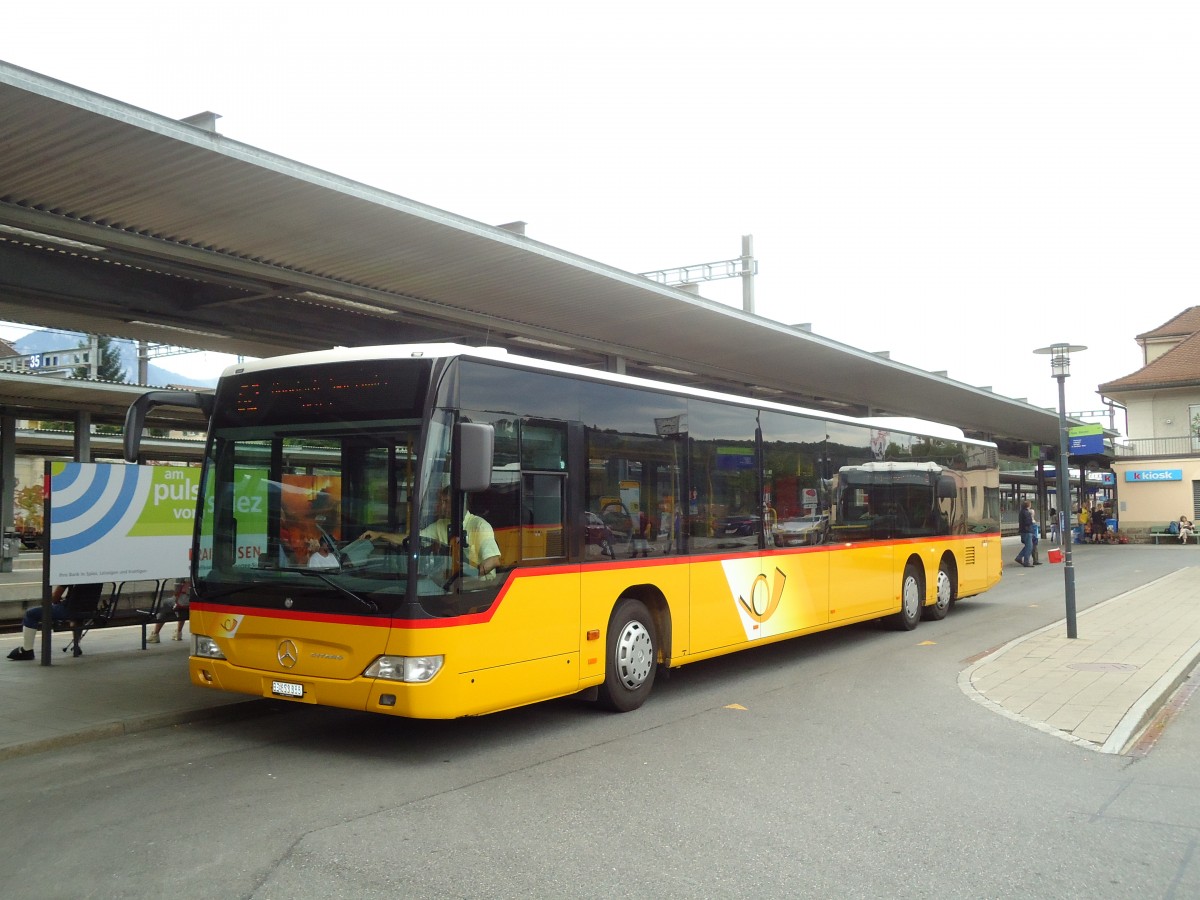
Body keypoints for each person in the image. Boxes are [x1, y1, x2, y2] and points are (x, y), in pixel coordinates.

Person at [7, 582, 105, 660]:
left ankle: (27, 650)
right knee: (77, 615)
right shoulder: (95, 575)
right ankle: (76, 644)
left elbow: (55, 597)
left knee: (31, 614)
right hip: (89, 611)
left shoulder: (70, 574)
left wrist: (56, 602)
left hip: (69, 610)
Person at [420, 487, 501, 577]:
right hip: (451, 582)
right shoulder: (440, 525)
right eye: (441, 502)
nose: (442, 506)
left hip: (479, 584)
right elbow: (417, 538)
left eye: (446, 502)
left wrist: (471, 574)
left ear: (458, 503)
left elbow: (493, 561)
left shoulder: (480, 526)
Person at [148, 578, 190, 643]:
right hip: (193, 604)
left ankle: (155, 634)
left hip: (184, 602)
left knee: (165, 603)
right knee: (181, 609)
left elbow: (177, 591)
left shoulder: (184, 577)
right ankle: (178, 633)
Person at [1014, 500, 1034, 568]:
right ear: (1028, 505)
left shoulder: (1021, 512)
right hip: (1027, 531)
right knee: (1029, 547)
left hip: (1023, 531)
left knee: (1028, 546)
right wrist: (1032, 518)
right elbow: (1028, 522)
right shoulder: (1027, 512)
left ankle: (1019, 557)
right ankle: (1026, 562)